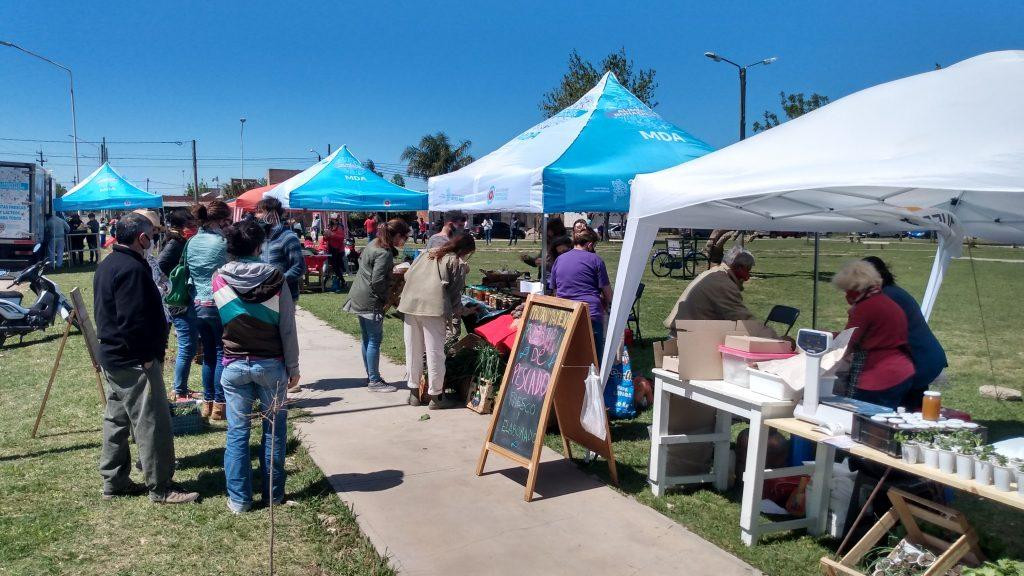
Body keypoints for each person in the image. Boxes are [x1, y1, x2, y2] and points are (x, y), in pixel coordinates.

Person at [93, 213, 198, 504]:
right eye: (151, 235)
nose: (153, 240)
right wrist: (146, 358)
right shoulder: (132, 269)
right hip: (133, 360)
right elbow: (132, 321)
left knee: (117, 419)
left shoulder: (108, 264)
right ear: (142, 238)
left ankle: (114, 480)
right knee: (152, 421)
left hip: (115, 357)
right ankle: (161, 486)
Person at [213, 219, 300, 513]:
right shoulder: (276, 278)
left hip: (234, 364)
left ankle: (239, 500)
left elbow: (221, 320)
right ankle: (273, 496)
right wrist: (294, 365)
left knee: (237, 433)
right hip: (271, 365)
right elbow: (287, 326)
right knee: (274, 433)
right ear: (259, 246)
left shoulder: (218, 279)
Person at [399, 232, 478, 409]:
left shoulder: (427, 253)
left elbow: (406, 276)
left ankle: (413, 394)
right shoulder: (454, 261)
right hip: (433, 309)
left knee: (413, 350)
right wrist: (465, 311)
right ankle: (436, 397)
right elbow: (455, 295)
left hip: (410, 305)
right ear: (465, 250)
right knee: (435, 353)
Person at [862, 257, 946, 409]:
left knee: (897, 406)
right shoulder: (890, 292)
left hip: (920, 359)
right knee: (913, 406)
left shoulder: (887, 297)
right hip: (923, 357)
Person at [832, 260, 915, 409]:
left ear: (854, 288)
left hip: (878, 377)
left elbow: (846, 344)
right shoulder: (886, 302)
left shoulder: (864, 308)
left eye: (846, 290)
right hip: (902, 371)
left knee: (863, 424)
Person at [344, 218, 411, 393]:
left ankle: (371, 376)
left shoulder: (374, 243)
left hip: (359, 296)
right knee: (374, 340)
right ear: (397, 235)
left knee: (367, 339)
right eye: (404, 237)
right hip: (370, 299)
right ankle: (374, 380)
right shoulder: (384, 252)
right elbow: (378, 280)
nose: (404, 241)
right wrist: (387, 298)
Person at [186, 201, 231, 420]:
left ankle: (208, 403)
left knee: (208, 356)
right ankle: (220, 406)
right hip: (219, 303)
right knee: (222, 353)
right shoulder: (222, 242)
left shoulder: (192, 242)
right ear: (221, 220)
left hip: (197, 304)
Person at [548, 228, 612, 358]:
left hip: (566, 314)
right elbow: (608, 293)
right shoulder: (596, 260)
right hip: (590, 314)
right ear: (589, 244)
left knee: (568, 358)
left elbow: (555, 291)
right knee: (593, 359)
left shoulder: (559, 260)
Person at [158, 208, 200, 402]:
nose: (194, 228)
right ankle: (179, 390)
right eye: (190, 225)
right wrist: (171, 283)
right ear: (180, 226)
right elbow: (159, 267)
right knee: (187, 345)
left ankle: (181, 388)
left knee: (189, 345)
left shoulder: (179, 241)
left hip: (181, 298)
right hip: (177, 300)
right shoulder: (174, 243)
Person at [663, 246, 757, 331]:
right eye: (747, 270)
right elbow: (743, 320)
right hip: (686, 335)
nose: (747, 277)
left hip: (683, 329)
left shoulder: (714, 272)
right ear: (739, 267)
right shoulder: (723, 283)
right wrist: (768, 338)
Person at [255, 197, 306, 302]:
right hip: (264, 296)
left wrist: (276, 282)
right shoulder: (260, 238)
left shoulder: (288, 237)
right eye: (256, 212)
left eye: (260, 212)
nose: (256, 216)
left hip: (285, 297)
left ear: (272, 214)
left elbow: (299, 268)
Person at [324, 218, 347, 292]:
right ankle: (338, 281)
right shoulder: (329, 227)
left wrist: (332, 235)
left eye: (335, 220)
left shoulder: (340, 227)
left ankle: (341, 281)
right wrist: (326, 235)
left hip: (338, 250)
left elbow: (341, 237)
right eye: (332, 219)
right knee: (333, 266)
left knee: (336, 266)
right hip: (330, 249)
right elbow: (325, 239)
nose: (334, 221)